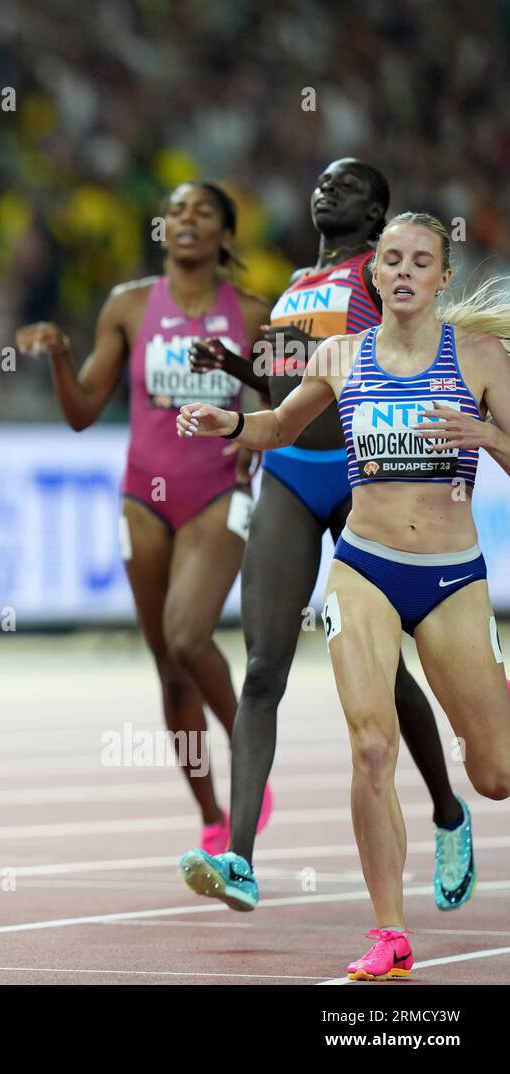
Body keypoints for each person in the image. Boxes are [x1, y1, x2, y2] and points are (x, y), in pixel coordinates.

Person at [177, 211, 510, 979]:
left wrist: (488, 437)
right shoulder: (338, 353)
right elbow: (279, 424)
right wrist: (225, 418)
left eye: (419, 261)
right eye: (390, 259)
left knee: (494, 774)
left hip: (453, 577)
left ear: (441, 277)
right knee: (369, 744)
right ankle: (390, 933)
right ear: (374, 272)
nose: (402, 272)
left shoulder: (482, 358)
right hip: (363, 567)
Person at [17, 182, 271, 850]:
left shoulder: (252, 311)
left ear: (225, 233)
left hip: (220, 490)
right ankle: (213, 818)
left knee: (189, 636)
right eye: (176, 212)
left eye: (203, 212)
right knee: (167, 663)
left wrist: (240, 380)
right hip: (143, 498)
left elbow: (292, 400)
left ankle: (252, 761)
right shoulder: (129, 305)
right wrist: (62, 356)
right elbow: (81, 415)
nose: (186, 221)